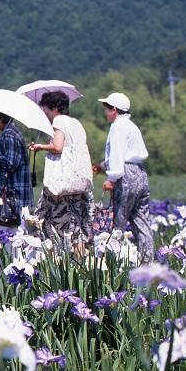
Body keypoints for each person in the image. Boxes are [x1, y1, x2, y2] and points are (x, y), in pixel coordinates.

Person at [29, 91, 94, 253]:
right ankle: (80, 262)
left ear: (55, 108)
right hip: (78, 183)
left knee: (50, 222)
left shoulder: (58, 121)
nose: (45, 113)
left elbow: (58, 147)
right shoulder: (76, 123)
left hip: (62, 185)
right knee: (76, 225)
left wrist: (40, 147)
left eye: (46, 109)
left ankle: (58, 261)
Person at [92, 92, 154, 261]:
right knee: (142, 221)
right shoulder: (132, 126)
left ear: (114, 110)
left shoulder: (118, 127)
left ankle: (113, 262)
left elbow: (118, 155)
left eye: (107, 108)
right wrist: (101, 166)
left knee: (118, 222)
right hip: (140, 174)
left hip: (125, 176)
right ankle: (147, 262)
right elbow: (129, 154)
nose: (105, 112)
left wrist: (111, 179)